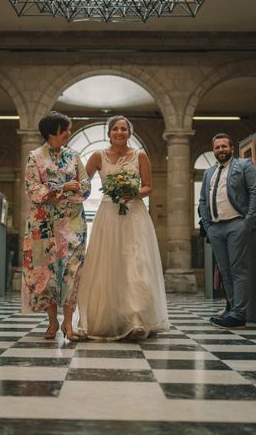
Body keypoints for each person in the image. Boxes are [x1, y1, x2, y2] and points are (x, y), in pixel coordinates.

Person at [77, 116, 169, 340]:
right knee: (109, 264)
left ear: (129, 132)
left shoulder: (140, 155)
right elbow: (82, 183)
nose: (119, 132)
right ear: (109, 133)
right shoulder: (98, 156)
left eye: (124, 129)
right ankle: (108, 317)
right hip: (108, 214)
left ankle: (136, 318)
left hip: (135, 215)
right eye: (115, 129)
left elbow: (148, 186)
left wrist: (134, 193)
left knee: (135, 263)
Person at [22, 111, 90, 341]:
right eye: (65, 129)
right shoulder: (35, 157)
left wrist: (58, 190)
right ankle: (52, 322)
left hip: (73, 224)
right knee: (45, 273)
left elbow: (86, 186)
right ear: (53, 132)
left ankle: (68, 324)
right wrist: (63, 189)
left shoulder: (74, 156)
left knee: (72, 272)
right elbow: (33, 190)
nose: (69, 133)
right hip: (42, 226)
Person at [198, 132, 256, 329]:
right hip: (215, 228)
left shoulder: (243, 166)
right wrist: (207, 226)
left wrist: (248, 222)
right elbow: (202, 200)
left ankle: (239, 314)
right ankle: (232, 310)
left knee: (238, 270)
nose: (220, 150)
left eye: (224, 146)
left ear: (231, 148)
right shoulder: (208, 172)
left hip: (237, 225)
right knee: (225, 272)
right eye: (217, 147)